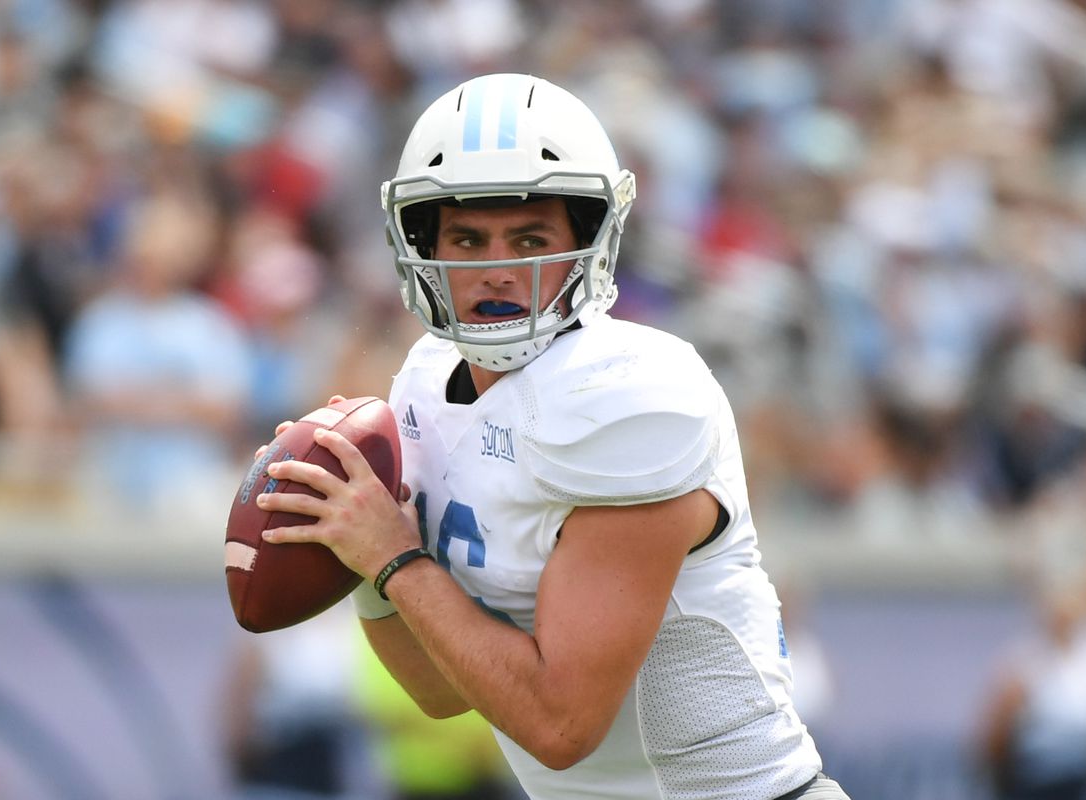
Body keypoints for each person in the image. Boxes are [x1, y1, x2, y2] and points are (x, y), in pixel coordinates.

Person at [256, 73, 850, 800]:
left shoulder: (631, 392)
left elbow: (560, 726)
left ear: (588, 245)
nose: (498, 270)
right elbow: (441, 693)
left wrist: (392, 556)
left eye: (531, 238)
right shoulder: (423, 382)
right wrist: (357, 551)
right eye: (468, 239)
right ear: (420, 246)